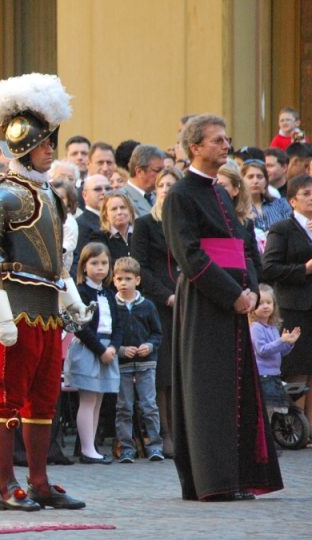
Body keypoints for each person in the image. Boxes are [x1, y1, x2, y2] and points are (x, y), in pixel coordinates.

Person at [0, 73, 89, 511]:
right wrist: (0, 317)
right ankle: (6, 486)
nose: (50, 151)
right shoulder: (0, 194)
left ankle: (39, 481)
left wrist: (70, 298)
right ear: (22, 146)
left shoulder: (50, 194)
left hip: (47, 308)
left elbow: (55, 260)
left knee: (44, 398)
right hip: (16, 307)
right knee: (8, 396)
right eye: (44, 146)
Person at [162, 113, 282, 501]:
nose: (226, 145)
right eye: (217, 140)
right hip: (205, 301)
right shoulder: (181, 195)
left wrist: (249, 289)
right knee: (209, 391)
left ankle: (236, 476)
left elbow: (242, 245)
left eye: (226, 139)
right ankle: (212, 480)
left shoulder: (220, 191)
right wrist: (232, 293)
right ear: (195, 147)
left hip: (234, 302)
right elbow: (190, 255)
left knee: (236, 390)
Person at [131, 167, 182, 457]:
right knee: (162, 373)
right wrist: (167, 297)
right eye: (161, 184)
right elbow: (141, 267)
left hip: (187, 303)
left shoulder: (186, 224)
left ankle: (183, 430)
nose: (165, 188)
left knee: (181, 372)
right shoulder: (145, 223)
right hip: (158, 305)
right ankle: (164, 432)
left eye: (171, 184)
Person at [262, 174, 312, 431]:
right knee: (297, 365)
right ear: (292, 200)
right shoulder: (282, 228)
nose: (311, 198)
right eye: (306, 194)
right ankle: (294, 424)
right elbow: (269, 267)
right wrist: (303, 269)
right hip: (295, 305)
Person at [65, 243, 121, 465]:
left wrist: (113, 347)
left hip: (107, 349)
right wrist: (100, 349)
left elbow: (118, 325)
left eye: (104, 263)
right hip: (89, 348)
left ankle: (92, 446)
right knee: (88, 399)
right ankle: (87, 449)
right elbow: (80, 325)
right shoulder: (80, 292)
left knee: (98, 400)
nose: (100, 268)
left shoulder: (109, 293)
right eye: (94, 263)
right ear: (84, 266)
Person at [111, 256, 164, 463]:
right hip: (122, 364)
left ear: (138, 280)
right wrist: (121, 349)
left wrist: (149, 346)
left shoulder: (148, 306)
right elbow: (109, 334)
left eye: (128, 279)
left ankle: (155, 446)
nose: (124, 283)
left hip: (146, 363)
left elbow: (157, 333)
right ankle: (126, 448)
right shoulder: (112, 305)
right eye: (119, 279)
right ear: (114, 281)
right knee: (124, 407)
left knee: (149, 405)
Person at [249, 284, 301, 421]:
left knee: (277, 410)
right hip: (263, 375)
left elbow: (280, 352)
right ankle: (268, 437)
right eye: (260, 304)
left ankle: (274, 436)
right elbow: (262, 350)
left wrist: (289, 343)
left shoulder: (272, 328)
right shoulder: (255, 327)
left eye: (269, 302)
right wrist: (280, 341)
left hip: (274, 374)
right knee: (269, 409)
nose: (265, 306)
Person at [243, 160, 292, 233]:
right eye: (250, 177)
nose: (255, 181)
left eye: (260, 177)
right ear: (242, 180)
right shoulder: (237, 207)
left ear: (266, 181)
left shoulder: (281, 204)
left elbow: (291, 228)